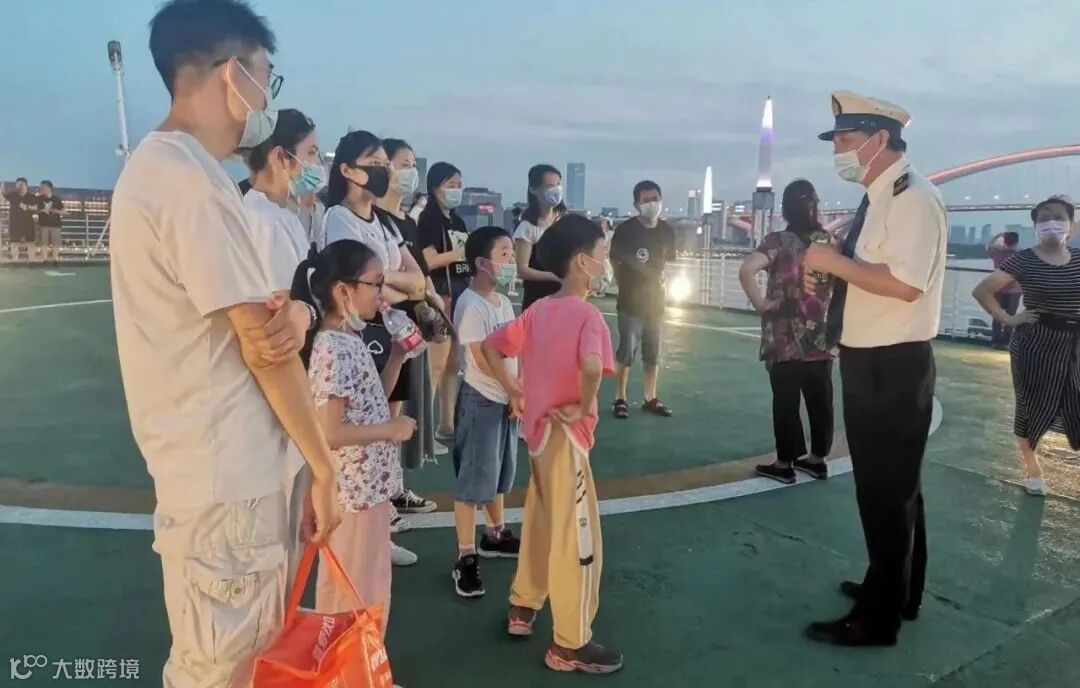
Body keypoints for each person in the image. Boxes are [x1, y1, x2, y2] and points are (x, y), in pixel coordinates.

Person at [108, 2, 340, 685]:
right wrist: (324, 467)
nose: (269, 96)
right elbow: (264, 346)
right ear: (234, 75)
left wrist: (296, 314)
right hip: (229, 484)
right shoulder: (188, 181)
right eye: (267, 76)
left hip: (224, 477)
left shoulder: (173, 172)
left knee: (234, 663)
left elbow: (263, 320)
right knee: (224, 671)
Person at [803, 90, 946, 647]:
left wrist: (831, 261)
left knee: (886, 492)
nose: (838, 149)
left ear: (879, 139)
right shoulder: (881, 196)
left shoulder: (912, 199)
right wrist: (838, 267)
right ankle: (897, 590)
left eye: (845, 138)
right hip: (873, 358)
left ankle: (877, 619)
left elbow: (906, 285)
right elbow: (874, 270)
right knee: (894, 489)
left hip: (892, 362)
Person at [482, 214, 623, 674]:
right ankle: (570, 643)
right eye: (601, 254)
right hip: (566, 436)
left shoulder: (538, 310)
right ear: (582, 262)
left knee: (542, 519)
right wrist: (582, 404)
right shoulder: (588, 316)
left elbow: (491, 347)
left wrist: (513, 388)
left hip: (538, 436)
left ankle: (523, 605)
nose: (605, 262)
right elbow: (591, 367)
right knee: (575, 536)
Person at [292, 239, 416, 636]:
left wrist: (397, 356)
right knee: (355, 592)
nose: (382, 293)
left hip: (366, 490)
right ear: (343, 291)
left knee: (366, 585)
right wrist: (391, 430)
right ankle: (350, 663)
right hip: (354, 493)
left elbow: (371, 399)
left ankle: (359, 661)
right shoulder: (334, 348)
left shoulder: (347, 340)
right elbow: (329, 432)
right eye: (375, 283)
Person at [324, 130, 432, 561]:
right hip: (362, 331)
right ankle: (362, 532)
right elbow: (362, 284)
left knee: (385, 415)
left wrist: (385, 281)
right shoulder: (339, 218)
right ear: (348, 170)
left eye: (388, 162)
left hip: (390, 330)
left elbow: (416, 281)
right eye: (375, 161)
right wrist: (389, 284)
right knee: (361, 426)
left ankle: (382, 516)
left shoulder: (384, 223)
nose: (385, 170)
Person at [973, 196, 1080, 496]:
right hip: (1034, 343)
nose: (1051, 223)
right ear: (1035, 226)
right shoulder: (1024, 259)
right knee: (1031, 406)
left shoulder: (1078, 259)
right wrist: (1009, 318)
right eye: (1043, 218)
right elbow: (982, 291)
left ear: (1071, 225)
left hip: (1073, 343)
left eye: (1058, 217)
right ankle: (1033, 468)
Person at [738, 179, 835, 484]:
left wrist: (760, 303)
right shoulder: (830, 242)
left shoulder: (777, 242)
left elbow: (746, 270)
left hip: (784, 338)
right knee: (821, 400)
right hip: (820, 336)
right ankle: (817, 460)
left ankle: (785, 463)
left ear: (785, 209)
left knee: (786, 401)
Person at [376, 138, 447, 524]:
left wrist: (426, 298)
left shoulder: (402, 222)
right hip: (381, 328)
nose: (409, 171)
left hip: (406, 328)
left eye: (410, 164)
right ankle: (382, 496)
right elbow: (379, 279)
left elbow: (418, 279)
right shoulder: (372, 217)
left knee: (397, 409)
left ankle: (393, 488)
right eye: (402, 163)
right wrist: (411, 288)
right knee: (381, 413)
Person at [450, 226, 522, 598]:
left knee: (498, 474)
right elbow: (480, 358)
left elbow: (515, 349)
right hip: (481, 400)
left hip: (504, 399)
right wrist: (514, 390)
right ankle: (465, 556)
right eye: (504, 254)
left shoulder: (503, 303)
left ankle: (495, 533)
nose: (511, 261)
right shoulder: (470, 305)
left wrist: (515, 391)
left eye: (512, 254)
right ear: (481, 263)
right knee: (473, 483)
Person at [609, 180, 676, 420]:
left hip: (656, 302)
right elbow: (615, 260)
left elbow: (668, 262)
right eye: (646, 200)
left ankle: (650, 397)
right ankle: (620, 398)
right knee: (626, 351)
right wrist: (623, 283)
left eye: (655, 199)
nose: (652, 204)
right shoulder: (626, 231)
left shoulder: (666, 231)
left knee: (652, 352)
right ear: (636, 204)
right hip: (630, 301)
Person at [241, 108, 322, 292]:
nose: (317, 164)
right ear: (280, 156)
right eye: (311, 153)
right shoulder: (266, 221)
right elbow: (287, 295)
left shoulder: (278, 214)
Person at [418, 162, 469, 441]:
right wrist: (460, 253)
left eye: (459, 185)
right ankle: (423, 432)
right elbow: (428, 261)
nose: (456, 190)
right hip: (438, 293)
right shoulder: (427, 221)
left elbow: (461, 264)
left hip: (459, 291)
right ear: (435, 188)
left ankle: (446, 424)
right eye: (451, 185)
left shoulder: (458, 222)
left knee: (453, 364)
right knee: (435, 366)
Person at [514, 164, 563, 311]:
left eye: (558, 184)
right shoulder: (527, 227)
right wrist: (554, 276)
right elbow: (522, 270)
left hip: (563, 299)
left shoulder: (564, 221)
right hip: (537, 299)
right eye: (549, 186)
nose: (556, 190)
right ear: (533, 189)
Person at [987, 231, 1022, 349]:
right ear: (1016, 242)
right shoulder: (1020, 254)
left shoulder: (997, 252)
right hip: (1015, 289)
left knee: (997, 314)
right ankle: (1006, 342)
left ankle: (995, 341)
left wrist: (998, 236)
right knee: (1010, 315)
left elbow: (989, 246)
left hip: (998, 287)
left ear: (1004, 240)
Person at [3, 177, 36, 261]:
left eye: (22, 184)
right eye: (18, 185)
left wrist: (27, 207)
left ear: (26, 185)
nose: (20, 186)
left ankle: (32, 261)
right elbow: (3, 196)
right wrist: (11, 189)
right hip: (14, 223)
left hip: (28, 223)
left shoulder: (31, 196)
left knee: (30, 242)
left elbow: (36, 207)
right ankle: (15, 261)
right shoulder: (12, 195)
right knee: (14, 243)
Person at [35, 180, 65, 262]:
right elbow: (34, 210)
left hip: (56, 224)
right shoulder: (38, 199)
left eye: (43, 187)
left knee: (56, 243)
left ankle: (55, 259)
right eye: (41, 187)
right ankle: (44, 259)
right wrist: (42, 210)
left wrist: (56, 211)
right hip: (43, 224)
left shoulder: (57, 199)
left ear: (49, 188)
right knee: (43, 242)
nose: (41, 188)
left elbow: (63, 211)